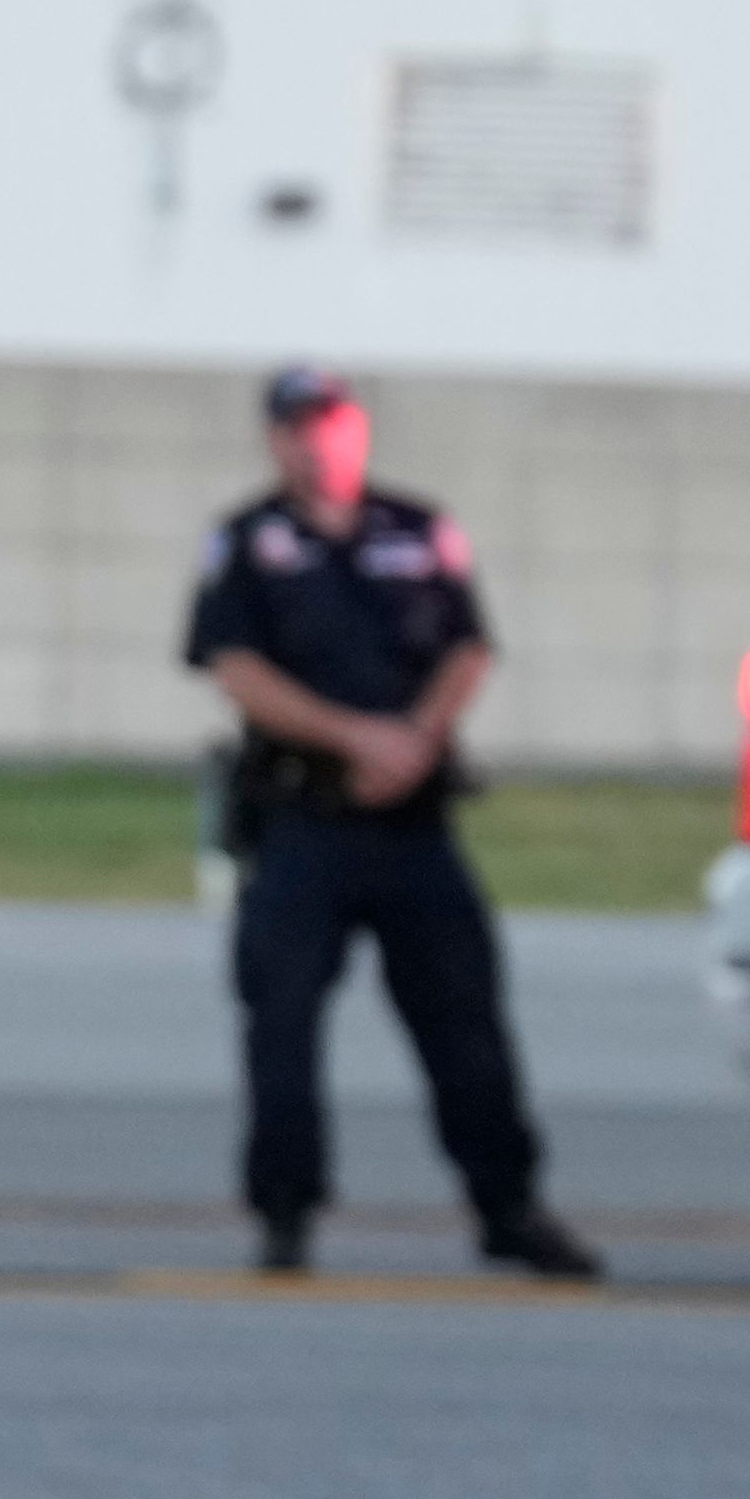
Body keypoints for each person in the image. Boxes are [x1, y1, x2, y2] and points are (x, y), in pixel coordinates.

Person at [186, 366, 603, 1282]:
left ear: (358, 431)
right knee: (281, 1024)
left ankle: (508, 1206)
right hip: (302, 820)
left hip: (413, 822)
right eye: (296, 427)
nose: (315, 442)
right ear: (273, 439)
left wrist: (414, 739)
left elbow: (468, 646)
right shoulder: (251, 543)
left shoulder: (419, 531)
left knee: (466, 1023)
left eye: (330, 424)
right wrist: (354, 736)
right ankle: (286, 1215)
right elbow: (235, 667)